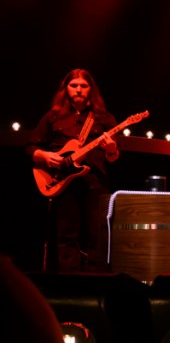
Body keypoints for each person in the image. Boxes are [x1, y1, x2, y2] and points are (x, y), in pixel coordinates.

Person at [28, 69, 120, 272]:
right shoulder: (52, 117)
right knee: (66, 235)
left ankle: (94, 283)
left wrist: (112, 149)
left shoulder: (104, 119)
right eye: (74, 85)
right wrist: (45, 156)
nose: (79, 89)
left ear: (91, 90)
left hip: (95, 182)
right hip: (62, 183)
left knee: (97, 235)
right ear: (66, 89)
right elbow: (31, 148)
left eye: (84, 86)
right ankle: (70, 282)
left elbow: (113, 159)